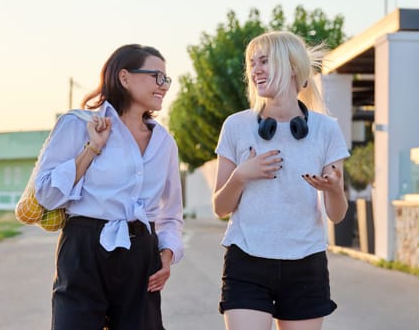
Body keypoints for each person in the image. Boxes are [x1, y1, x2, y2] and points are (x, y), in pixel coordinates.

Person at [34, 44, 184, 330]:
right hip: (85, 247)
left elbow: (171, 212)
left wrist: (166, 255)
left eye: (166, 79)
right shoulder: (77, 124)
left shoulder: (164, 142)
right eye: (156, 76)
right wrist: (93, 148)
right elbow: (46, 194)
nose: (163, 86)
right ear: (124, 77)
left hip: (142, 251)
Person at [212, 31, 350, 330]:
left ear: (292, 67)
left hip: (306, 264)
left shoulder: (326, 129)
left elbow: (337, 215)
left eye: (264, 61)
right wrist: (241, 176)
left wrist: (335, 189)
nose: (255, 69)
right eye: (252, 63)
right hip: (246, 261)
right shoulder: (236, 126)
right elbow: (220, 207)